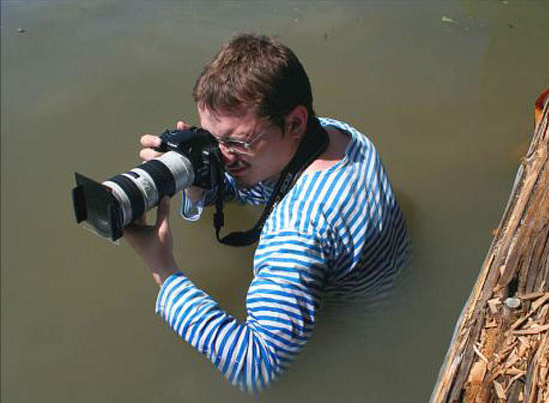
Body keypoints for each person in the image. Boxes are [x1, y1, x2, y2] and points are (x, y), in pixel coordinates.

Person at [125, 33, 410, 392]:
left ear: (294, 123)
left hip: (356, 331)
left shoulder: (295, 231)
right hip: (390, 283)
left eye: (236, 142)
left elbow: (257, 367)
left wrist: (163, 269)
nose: (222, 154)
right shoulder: (338, 135)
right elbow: (265, 186)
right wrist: (198, 178)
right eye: (210, 139)